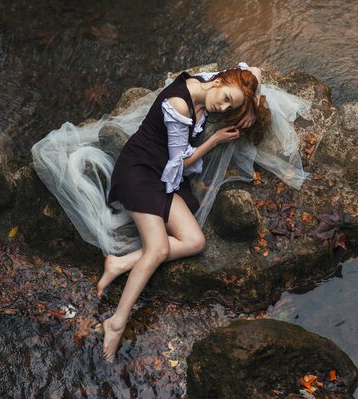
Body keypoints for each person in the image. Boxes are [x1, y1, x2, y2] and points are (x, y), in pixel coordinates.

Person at [31, 62, 310, 361]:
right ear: (220, 81)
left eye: (231, 104)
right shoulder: (179, 104)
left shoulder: (217, 84)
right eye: (226, 98)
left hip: (161, 178)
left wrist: (251, 105)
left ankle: (121, 263)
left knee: (195, 242)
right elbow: (180, 164)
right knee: (158, 248)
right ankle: (117, 321)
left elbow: (253, 70)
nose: (223, 106)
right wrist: (214, 141)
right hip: (140, 173)